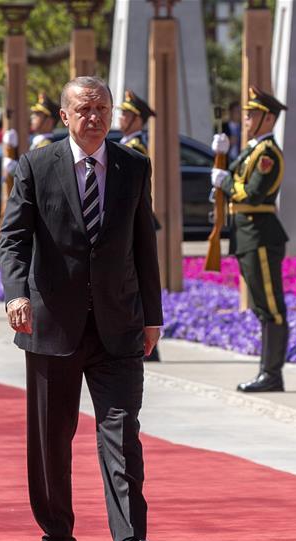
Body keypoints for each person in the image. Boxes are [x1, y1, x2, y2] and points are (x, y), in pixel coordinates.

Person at [0, 76, 163, 541]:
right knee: (53, 437)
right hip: (53, 326)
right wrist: (16, 293)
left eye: (102, 109)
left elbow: (144, 245)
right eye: (83, 110)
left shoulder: (134, 166)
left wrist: (152, 315)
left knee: (121, 431)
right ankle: (56, 537)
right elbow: (12, 238)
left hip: (118, 324)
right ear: (64, 117)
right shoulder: (36, 166)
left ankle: (129, 539)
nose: (94, 118)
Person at [211, 86, 289, 393]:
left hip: (260, 234)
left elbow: (252, 192)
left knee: (271, 306)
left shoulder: (267, 153)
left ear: (268, 119)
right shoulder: (252, 150)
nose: (246, 119)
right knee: (260, 305)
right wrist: (224, 156)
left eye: (253, 114)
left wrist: (225, 180)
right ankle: (267, 371)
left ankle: (272, 373)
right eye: (246, 114)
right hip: (246, 235)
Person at [117, 89, 161, 363]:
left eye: (125, 114)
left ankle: (150, 344)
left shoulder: (134, 149)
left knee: (138, 281)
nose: (120, 118)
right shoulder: (126, 144)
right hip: (129, 223)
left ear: (137, 119)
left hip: (132, 223)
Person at [117, 89, 155, 155]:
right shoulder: (127, 143)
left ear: (136, 120)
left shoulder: (136, 148)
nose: (120, 117)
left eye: (124, 114)